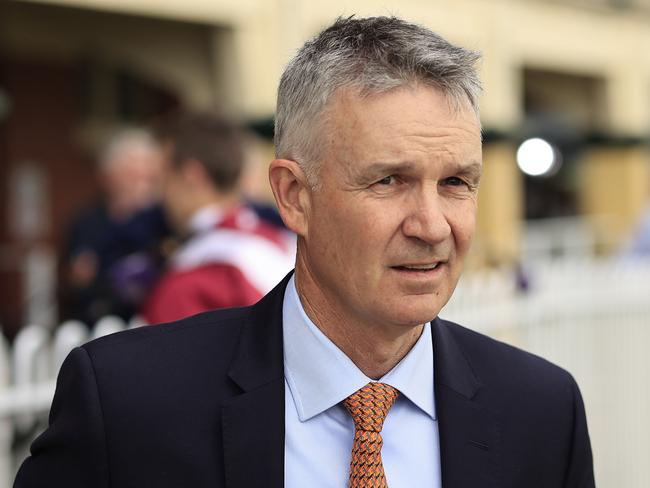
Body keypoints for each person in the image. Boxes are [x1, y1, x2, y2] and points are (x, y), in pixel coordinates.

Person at [14, 16, 594, 488]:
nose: (432, 225)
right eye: (388, 180)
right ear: (294, 197)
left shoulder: (543, 413)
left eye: (456, 183)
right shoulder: (127, 403)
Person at [141, 112, 295, 324]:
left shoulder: (195, 280)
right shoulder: (282, 240)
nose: (159, 194)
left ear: (192, 176)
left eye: (163, 177)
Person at [61, 128, 170, 326]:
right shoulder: (87, 221)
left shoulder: (164, 222)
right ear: (107, 176)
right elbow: (78, 280)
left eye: (148, 177)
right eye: (131, 175)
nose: (140, 184)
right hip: (97, 326)